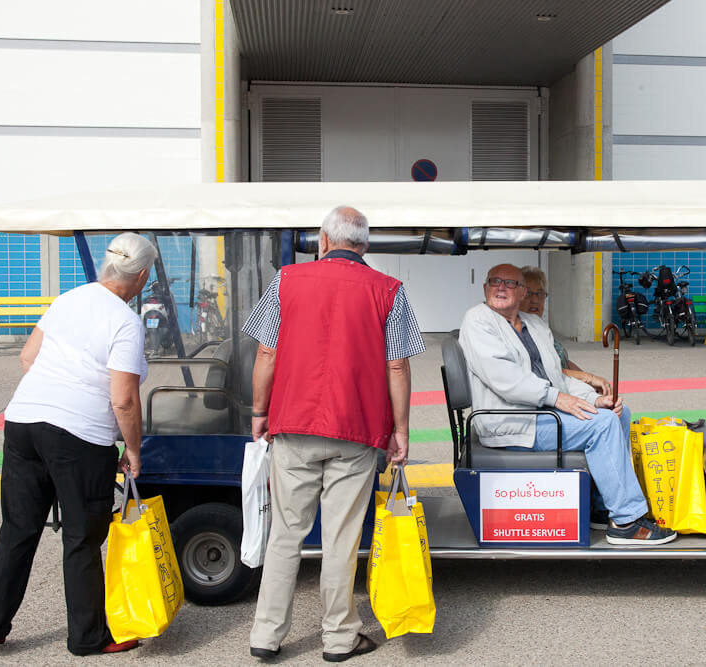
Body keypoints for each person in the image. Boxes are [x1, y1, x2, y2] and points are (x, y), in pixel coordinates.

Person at [245, 206, 425, 662]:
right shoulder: (390, 290)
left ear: (324, 240)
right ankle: (339, 638)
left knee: (286, 532)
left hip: (294, 424)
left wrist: (259, 413)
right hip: (357, 429)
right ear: (364, 245)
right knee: (341, 536)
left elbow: (266, 354)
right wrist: (400, 430)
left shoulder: (286, 281)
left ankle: (266, 635)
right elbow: (398, 365)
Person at [0, 233, 157, 656]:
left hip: (23, 421)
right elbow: (124, 399)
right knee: (81, 536)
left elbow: (27, 358)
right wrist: (133, 450)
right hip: (78, 436)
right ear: (143, 275)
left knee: (17, 529)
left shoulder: (68, 299)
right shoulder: (125, 321)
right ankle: (88, 637)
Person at [458, 264, 676, 546]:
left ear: (521, 292)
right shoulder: (478, 320)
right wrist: (558, 399)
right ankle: (626, 520)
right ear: (485, 287)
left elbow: (556, 377)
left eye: (510, 283)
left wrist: (594, 399)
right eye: (495, 281)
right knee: (602, 425)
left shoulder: (533, 324)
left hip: (541, 414)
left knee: (618, 414)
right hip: (509, 421)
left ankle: (602, 507)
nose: (501, 287)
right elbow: (506, 379)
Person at [518, 266, 611, 396]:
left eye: (540, 294)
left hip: (569, 389)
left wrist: (592, 383)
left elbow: (563, 361)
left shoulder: (540, 327)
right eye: (528, 293)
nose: (534, 300)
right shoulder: (519, 332)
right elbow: (550, 372)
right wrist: (589, 378)